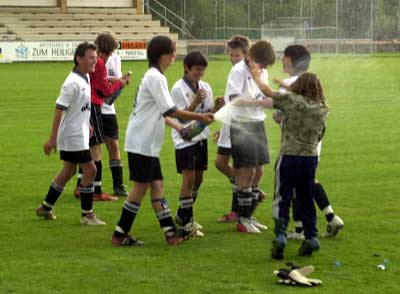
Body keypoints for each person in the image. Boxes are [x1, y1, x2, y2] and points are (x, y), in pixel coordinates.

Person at [111, 36, 214, 247]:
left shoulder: (155, 76)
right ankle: (120, 234)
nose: (174, 57)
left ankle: (170, 234)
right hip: (142, 141)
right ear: (163, 55)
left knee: (157, 186)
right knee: (140, 188)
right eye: (173, 53)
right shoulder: (156, 78)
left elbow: (162, 113)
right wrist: (201, 117)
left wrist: (178, 127)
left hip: (146, 142)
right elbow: (170, 110)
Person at [250, 68, 329, 259]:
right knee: (306, 198)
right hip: (310, 158)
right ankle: (311, 237)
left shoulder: (292, 101)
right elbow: (320, 134)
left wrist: (257, 77)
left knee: (282, 197)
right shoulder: (323, 108)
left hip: (289, 156)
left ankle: (280, 236)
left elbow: (268, 92)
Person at [274, 45, 343, 240]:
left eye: (284, 58)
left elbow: (280, 115)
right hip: (314, 142)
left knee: (295, 183)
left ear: (293, 61)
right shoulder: (313, 81)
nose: (282, 61)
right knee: (307, 180)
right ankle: (329, 217)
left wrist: (277, 116)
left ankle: (301, 230)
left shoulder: (289, 83)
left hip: (295, 144)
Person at [36, 42, 105, 225]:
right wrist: (52, 138)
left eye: (95, 57)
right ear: (79, 59)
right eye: (91, 57)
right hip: (72, 136)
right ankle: (87, 214)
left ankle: (46, 207)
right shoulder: (71, 83)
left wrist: (88, 124)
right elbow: (59, 109)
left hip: (79, 133)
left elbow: (81, 107)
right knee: (91, 169)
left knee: (68, 171)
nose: (94, 61)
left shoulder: (85, 77)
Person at [226, 40, 275, 233]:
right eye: (261, 63)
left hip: (257, 122)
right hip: (241, 124)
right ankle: (242, 220)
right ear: (253, 56)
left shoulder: (262, 71)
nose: (263, 68)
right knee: (246, 172)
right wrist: (259, 103)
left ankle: (249, 216)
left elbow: (263, 95)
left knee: (259, 171)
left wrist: (268, 103)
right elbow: (233, 99)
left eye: (265, 66)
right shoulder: (238, 71)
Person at [216, 35, 266, 224]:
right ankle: (243, 194)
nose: (233, 58)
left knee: (243, 168)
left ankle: (238, 211)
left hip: (243, 123)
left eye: (237, 55)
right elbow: (235, 100)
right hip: (234, 123)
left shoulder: (254, 71)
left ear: (246, 54)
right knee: (222, 164)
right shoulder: (237, 72)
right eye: (231, 55)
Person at [75, 32, 130, 201]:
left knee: (101, 145)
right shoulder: (98, 62)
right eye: (110, 51)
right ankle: (93, 191)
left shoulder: (101, 61)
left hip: (97, 107)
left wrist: (113, 81)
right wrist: (119, 84)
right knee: (94, 147)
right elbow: (105, 91)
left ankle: (101, 186)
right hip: (95, 106)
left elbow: (103, 83)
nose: (112, 55)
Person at [170, 51, 214, 237]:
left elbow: (208, 113)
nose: (200, 73)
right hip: (184, 139)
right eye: (197, 69)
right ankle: (187, 222)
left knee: (199, 179)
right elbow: (179, 115)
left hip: (201, 138)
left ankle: (182, 213)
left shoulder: (205, 87)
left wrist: (217, 108)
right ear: (186, 68)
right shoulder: (178, 89)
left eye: (203, 70)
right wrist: (195, 102)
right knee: (188, 179)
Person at [101, 50, 129, 197]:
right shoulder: (96, 59)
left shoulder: (115, 58)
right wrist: (119, 82)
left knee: (113, 145)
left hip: (108, 109)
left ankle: (118, 186)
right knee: (91, 147)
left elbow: (114, 84)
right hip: (94, 107)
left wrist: (121, 82)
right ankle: (86, 186)